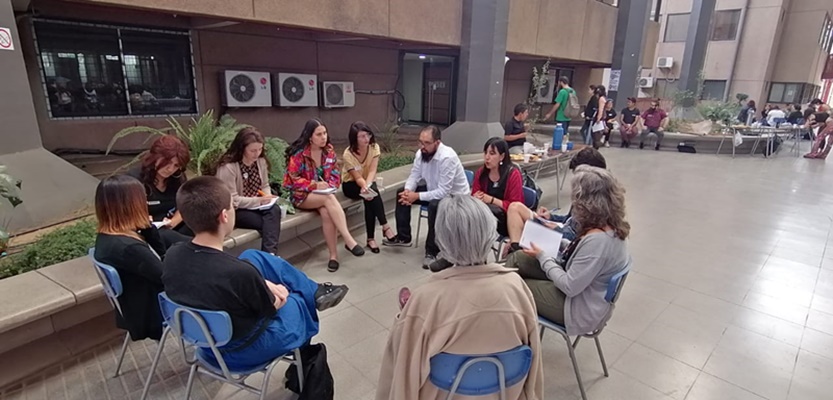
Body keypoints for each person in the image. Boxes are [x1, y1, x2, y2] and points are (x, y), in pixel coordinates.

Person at [162, 176, 349, 371]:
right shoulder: (238, 273)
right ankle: (304, 366)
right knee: (299, 300)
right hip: (240, 350)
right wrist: (280, 292)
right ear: (224, 216)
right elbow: (273, 305)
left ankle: (315, 290)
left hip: (204, 342)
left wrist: (261, 282)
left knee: (252, 255)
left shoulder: (173, 255)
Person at [375, 195, 543, 400]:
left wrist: (406, 319)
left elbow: (400, 380)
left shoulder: (426, 299)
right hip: (505, 395)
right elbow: (534, 371)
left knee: (403, 330)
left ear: (442, 241)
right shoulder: (518, 288)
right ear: (490, 233)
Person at [506, 166, 630, 336]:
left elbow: (569, 286)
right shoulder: (608, 226)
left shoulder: (598, 242)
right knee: (517, 259)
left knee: (515, 286)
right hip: (581, 292)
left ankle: (510, 329)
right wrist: (558, 243)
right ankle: (507, 314)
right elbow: (579, 256)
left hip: (576, 308)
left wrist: (542, 256)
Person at [93, 175, 171, 341]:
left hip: (133, 307)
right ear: (131, 205)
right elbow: (167, 277)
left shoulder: (107, 236)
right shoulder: (130, 248)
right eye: (142, 199)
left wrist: (148, 230)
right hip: (153, 313)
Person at [382, 125, 470, 270]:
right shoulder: (421, 154)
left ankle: (432, 252)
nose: (422, 146)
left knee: (435, 205)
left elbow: (443, 192)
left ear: (437, 142)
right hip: (434, 191)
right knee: (401, 193)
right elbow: (415, 175)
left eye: (426, 143)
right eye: (420, 142)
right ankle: (404, 237)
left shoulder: (447, 157)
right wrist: (407, 192)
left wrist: (416, 195)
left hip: (455, 198)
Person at [284, 119, 364, 272]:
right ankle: (348, 239)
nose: (323, 137)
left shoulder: (329, 151)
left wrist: (331, 186)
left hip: (323, 196)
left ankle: (333, 256)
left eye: (325, 133)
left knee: (327, 212)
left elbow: (335, 175)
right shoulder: (299, 154)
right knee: (329, 199)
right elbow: (292, 180)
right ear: (310, 137)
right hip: (301, 196)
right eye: (319, 134)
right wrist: (314, 185)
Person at [504, 147, 607, 255]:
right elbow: (569, 220)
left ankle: (516, 253)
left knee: (518, 221)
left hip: (562, 243)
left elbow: (578, 241)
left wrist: (557, 229)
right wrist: (551, 217)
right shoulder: (583, 193)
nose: (575, 180)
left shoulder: (596, 204)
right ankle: (516, 249)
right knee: (515, 207)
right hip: (559, 232)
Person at [214, 127, 282, 255]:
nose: (257, 153)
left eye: (260, 149)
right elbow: (231, 199)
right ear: (242, 148)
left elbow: (265, 185)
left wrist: (267, 195)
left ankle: (269, 255)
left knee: (274, 211)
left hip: (259, 206)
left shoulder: (261, 162)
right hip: (236, 210)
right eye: (253, 150)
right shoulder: (228, 167)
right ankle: (270, 255)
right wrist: (258, 201)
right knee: (270, 223)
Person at [341, 121, 396, 253]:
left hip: (369, 180)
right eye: (362, 136)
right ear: (355, 138)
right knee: (370, 194)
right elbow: (357, 177)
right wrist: (365, 187)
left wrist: (368, 186)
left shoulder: (374, 147)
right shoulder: (348, 154)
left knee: (370, 195)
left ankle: (371, 239)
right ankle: (385, 226)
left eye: (368, 135)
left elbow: (372, 171)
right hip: (351, 184)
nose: (367, 139)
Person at [127, 134, 193, 245]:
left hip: (172, 226)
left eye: (176, 165)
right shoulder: (134, 180)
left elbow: (184, 205)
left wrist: (173, 222)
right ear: (155, 157)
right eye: (167, 162)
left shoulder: (178, 177)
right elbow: (126, 214)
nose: (170, 169)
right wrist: (143, 220)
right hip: (147, 231)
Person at [471, 137, 525, 238]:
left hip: (508, 221)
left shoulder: (513, 174)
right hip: (484, 216)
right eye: (485, 153)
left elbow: (516, 208)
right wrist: (476, 197)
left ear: (502, 156)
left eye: (492, 153)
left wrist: (491, 200)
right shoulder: (481, 172)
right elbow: (475, 193)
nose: (487, 157)